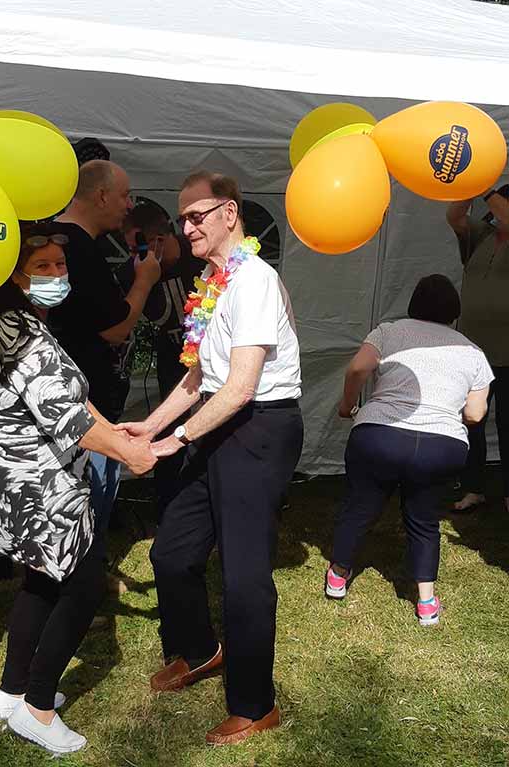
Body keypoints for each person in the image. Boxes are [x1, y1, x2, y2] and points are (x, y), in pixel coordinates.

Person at [0, 223, 156, 754]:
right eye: (41, 266)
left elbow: (67, 396)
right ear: (14, 274)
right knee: (84, 585)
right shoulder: (19, 331)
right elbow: (64, 416)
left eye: (59, 265)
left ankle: (10, 692)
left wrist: (114, 433)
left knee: (43, 582)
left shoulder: (13, 320)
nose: (55, 274)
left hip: (17, 481)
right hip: (38, 486)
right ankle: (37, 708)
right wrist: (132, 452)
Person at [121, 171, 303, 745]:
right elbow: (200, 377)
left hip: (258, 428)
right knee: (172, 552)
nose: (186, 227)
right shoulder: (212, 279)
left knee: (245, 575)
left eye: (197, 215)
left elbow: (242, 386)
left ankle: (256, 704)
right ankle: (200, 651)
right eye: (182, 218)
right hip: (217, 419)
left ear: (229, 212)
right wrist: (147, 426)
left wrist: (174, 442)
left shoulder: (255, 280)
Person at [327, 275, 492, 626]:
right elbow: (475, 414)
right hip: (441, 446)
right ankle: (426, 602)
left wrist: (347, 405)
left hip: (379, 435)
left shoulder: (388, 331)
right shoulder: (473, 352)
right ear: (454, 310)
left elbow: (358, 367)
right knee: (424, 519)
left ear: (414, 303)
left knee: (360, 506)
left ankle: (339, 576)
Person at [49, 160, 161, 538]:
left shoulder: (62, 239)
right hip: (84, 399)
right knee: (86, 499)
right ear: (100, 196)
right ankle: (83, 577)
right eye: (125, 196)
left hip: (74, 394)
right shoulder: (76, 247)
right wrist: (145, 281)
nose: (130, 206)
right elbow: (115, 329)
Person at [123, 202, 204, 516]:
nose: (133, 255)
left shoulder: (196, 257)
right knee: (171, 425)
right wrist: (143, 279)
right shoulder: (135, 271)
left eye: (136, 247)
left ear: (156, 240)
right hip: (175, 359)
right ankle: (169, 504)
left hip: (211, 359)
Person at [446, 184, 509, 513]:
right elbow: (454, 215)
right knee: (472, 421)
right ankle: (473, 487)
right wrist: (468, 183)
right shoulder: (481, 235)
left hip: (508, 354)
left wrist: (486, 188)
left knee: (508, 424)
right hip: (474, 351)